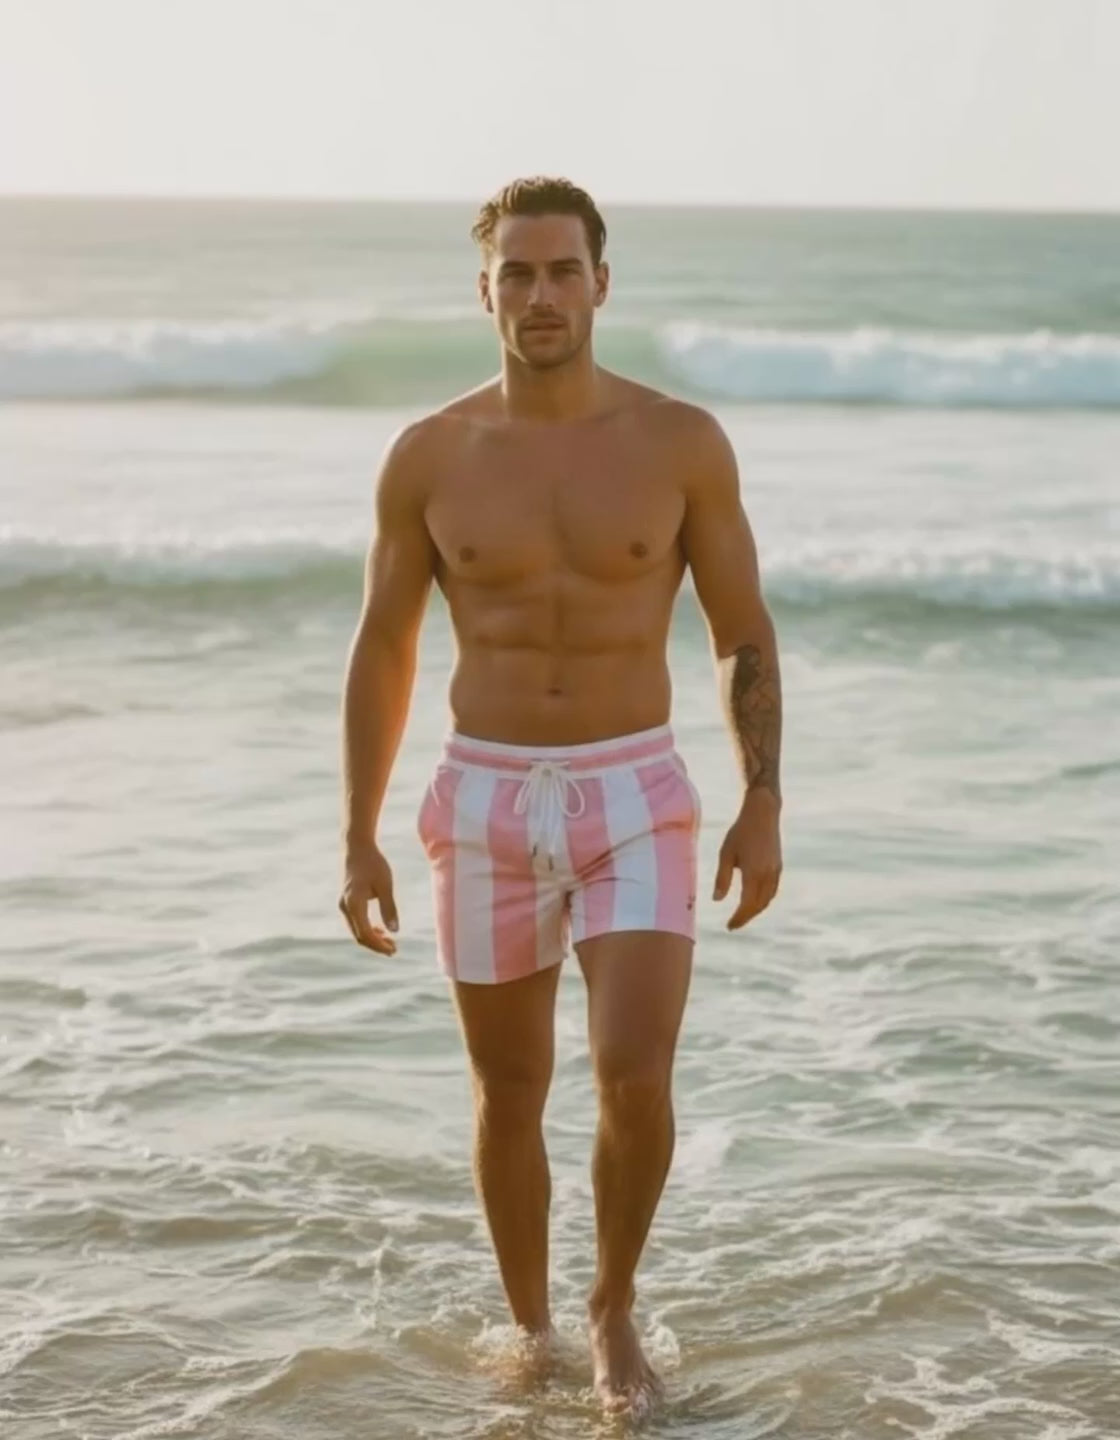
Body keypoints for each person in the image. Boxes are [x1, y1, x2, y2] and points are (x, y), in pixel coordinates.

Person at [339, 176, 783, 1414]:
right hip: (478, 802)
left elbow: (740, 632)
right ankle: (528, 1319)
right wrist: (357, 835)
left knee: (634, 1070)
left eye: (563, 270)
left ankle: (612, 1309)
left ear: (602, 282)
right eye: (517, 274)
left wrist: (763, 798)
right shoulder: (427, 454)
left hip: (633, 790)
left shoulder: (679, 443)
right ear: (483, 289)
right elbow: (383, 646)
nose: (541, 295)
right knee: (508, 1091)